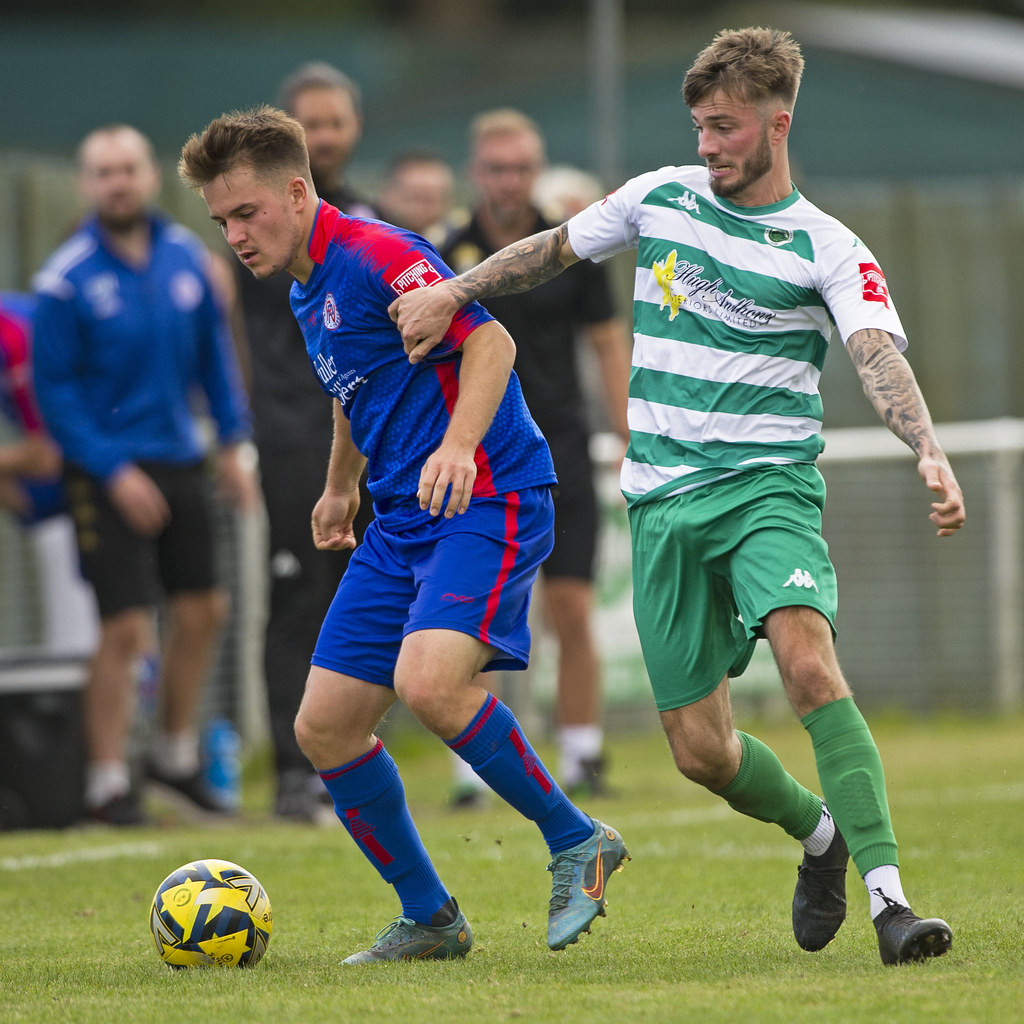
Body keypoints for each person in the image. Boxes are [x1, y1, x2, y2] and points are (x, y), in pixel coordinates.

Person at [390, 27, 965, 967]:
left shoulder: (829, 245)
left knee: (809, 663)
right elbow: (550, 249)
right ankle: (818, 839)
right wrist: (453, 294)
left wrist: (928, 447)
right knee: (700, 750)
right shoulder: (660, 196)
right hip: (661, 504)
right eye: (700, 125)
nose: (708, 145)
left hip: (766, 491)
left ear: (779, 124)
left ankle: (891, 903)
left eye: (727, 128)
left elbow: (874, 352)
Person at [179, 104, 628, 962]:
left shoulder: (378, 254)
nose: (234, 234)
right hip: (399, 519)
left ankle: (579, 841)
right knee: (325, 727)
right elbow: (357, 387)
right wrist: (339, 487)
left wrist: (460, 446)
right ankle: (431, 916)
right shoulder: (306, 284)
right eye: (221, 221)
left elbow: (489, 346)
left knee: (429, 683)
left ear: (298, 191)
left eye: (246, 212)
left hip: (487, 498)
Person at [31, 124, 257, 826]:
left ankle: (174, 755)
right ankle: (106, 782)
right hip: (104, 470)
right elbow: (55, 396)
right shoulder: (64, 281)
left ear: (150, 176)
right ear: (86, 185)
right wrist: (113, 470)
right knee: (124, 628)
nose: (118, 182)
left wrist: (232, 444)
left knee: (204, 609)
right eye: (103, 172)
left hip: (180, 457)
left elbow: (214, 362)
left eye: (128, 168)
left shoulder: (189, 260)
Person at [440, 109, 631, 803]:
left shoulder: (571, 245)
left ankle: (582, 756)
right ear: (475, 171)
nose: (510, 180)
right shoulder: (447, 247)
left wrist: (628, 432)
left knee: (572, 608)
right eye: (497, 167)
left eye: (522, 167)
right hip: (482, 461)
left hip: (564, 449)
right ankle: (474, 771)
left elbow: (608, 343)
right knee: (475, 616)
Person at [233, 61, 379, 822]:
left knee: (366, 598)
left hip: (367, 440)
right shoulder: (251, 226)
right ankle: (295, 773)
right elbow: (231, 338)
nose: (324, 135)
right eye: (309, 123)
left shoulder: (369, 227)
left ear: (353, 129)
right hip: (292, 439)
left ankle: (347, 757)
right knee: (297, 600)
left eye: (334, 121)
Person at [0, 295, 98, 657]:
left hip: (101, 480)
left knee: (98, 639)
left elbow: (46, 457)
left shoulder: (14, 333)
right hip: (56, 502)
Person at [376, 148, 457, 247]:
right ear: (387, 193)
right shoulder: (362, 241)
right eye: (414, 198)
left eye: (431, 200)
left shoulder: (456, 245)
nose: (422, 209)